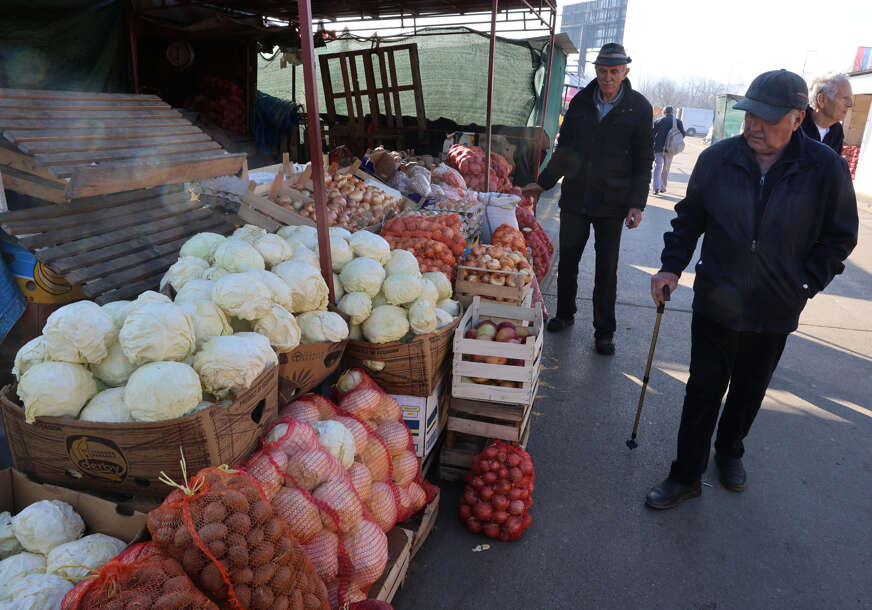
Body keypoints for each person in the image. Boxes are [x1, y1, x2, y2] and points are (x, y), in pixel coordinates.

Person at [645, 69, 858, 510]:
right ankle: (685, 473)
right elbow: (689, 221)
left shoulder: (825, 169)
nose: (753, 126)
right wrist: (670, 268)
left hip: (775, 307)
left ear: (797, 119)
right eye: (749, 116)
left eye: (766, 118)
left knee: (749, 389)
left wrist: (805, 283)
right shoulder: (718, 159)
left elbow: (839, 238)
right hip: (716, 299)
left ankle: (729, 452)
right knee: (702, 390)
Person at [521, 43, 653, 355]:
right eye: (603, 71)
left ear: (625, 72)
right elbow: (565, 150)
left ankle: (604, 331)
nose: (608, 77)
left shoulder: (639, 107)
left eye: (614, 71)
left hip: (613, 202)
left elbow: (644, 160)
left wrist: (637, 204)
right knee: (568, 260)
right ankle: (565, 314)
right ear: (596, 71)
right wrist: (543, 183)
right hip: (577, 197)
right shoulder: (580, 102)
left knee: (607, 269)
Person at [801, 72, 853, 155]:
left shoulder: (837, 131)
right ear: (821, 100)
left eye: (850, 98)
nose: (850, 104)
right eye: (844, 98)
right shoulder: (796, 124)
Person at [651, 106, 685, 194]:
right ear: (672, 112)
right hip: (670, 149)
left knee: (657, 167)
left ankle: (656, 187)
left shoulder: (659, 121)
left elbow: (652, 134)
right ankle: (663, 187)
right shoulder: (678, 122)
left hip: (658, 148)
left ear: (664, 112)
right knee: (666, 168)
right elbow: (683, 134)